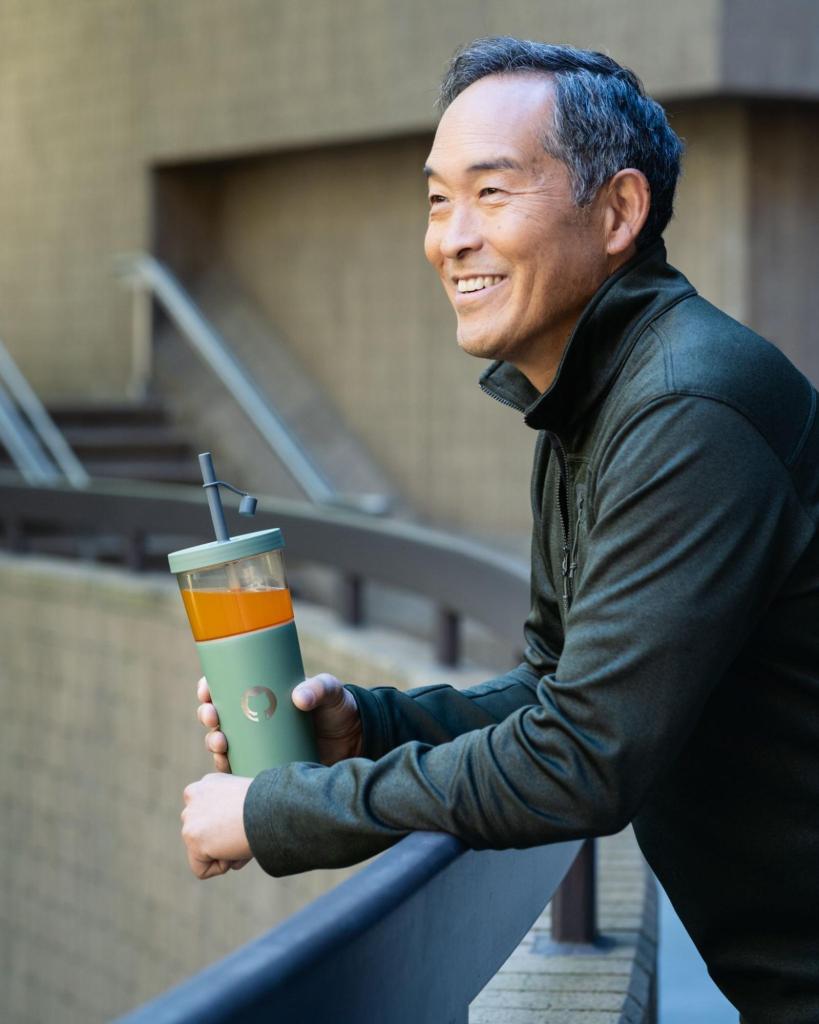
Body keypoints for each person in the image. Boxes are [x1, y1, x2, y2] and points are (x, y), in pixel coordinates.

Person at [181, 38, 819, 1022]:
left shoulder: (687, 409)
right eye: (438, 200)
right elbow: (555, 688)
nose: (452, 238)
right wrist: (370, 728)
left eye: (492, 192)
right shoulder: (588, 399)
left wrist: (283, 813)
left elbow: (583, 756)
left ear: (618, 213)